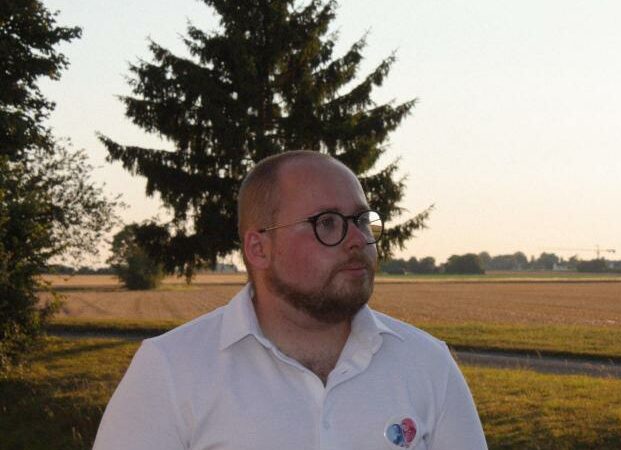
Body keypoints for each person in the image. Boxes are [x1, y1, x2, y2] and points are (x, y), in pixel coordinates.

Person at [93, 150, 487, 450]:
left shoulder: (427, 363)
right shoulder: (171, 369)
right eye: (327, 223)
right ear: (259, 248)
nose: (357, 240)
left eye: (362, 220)